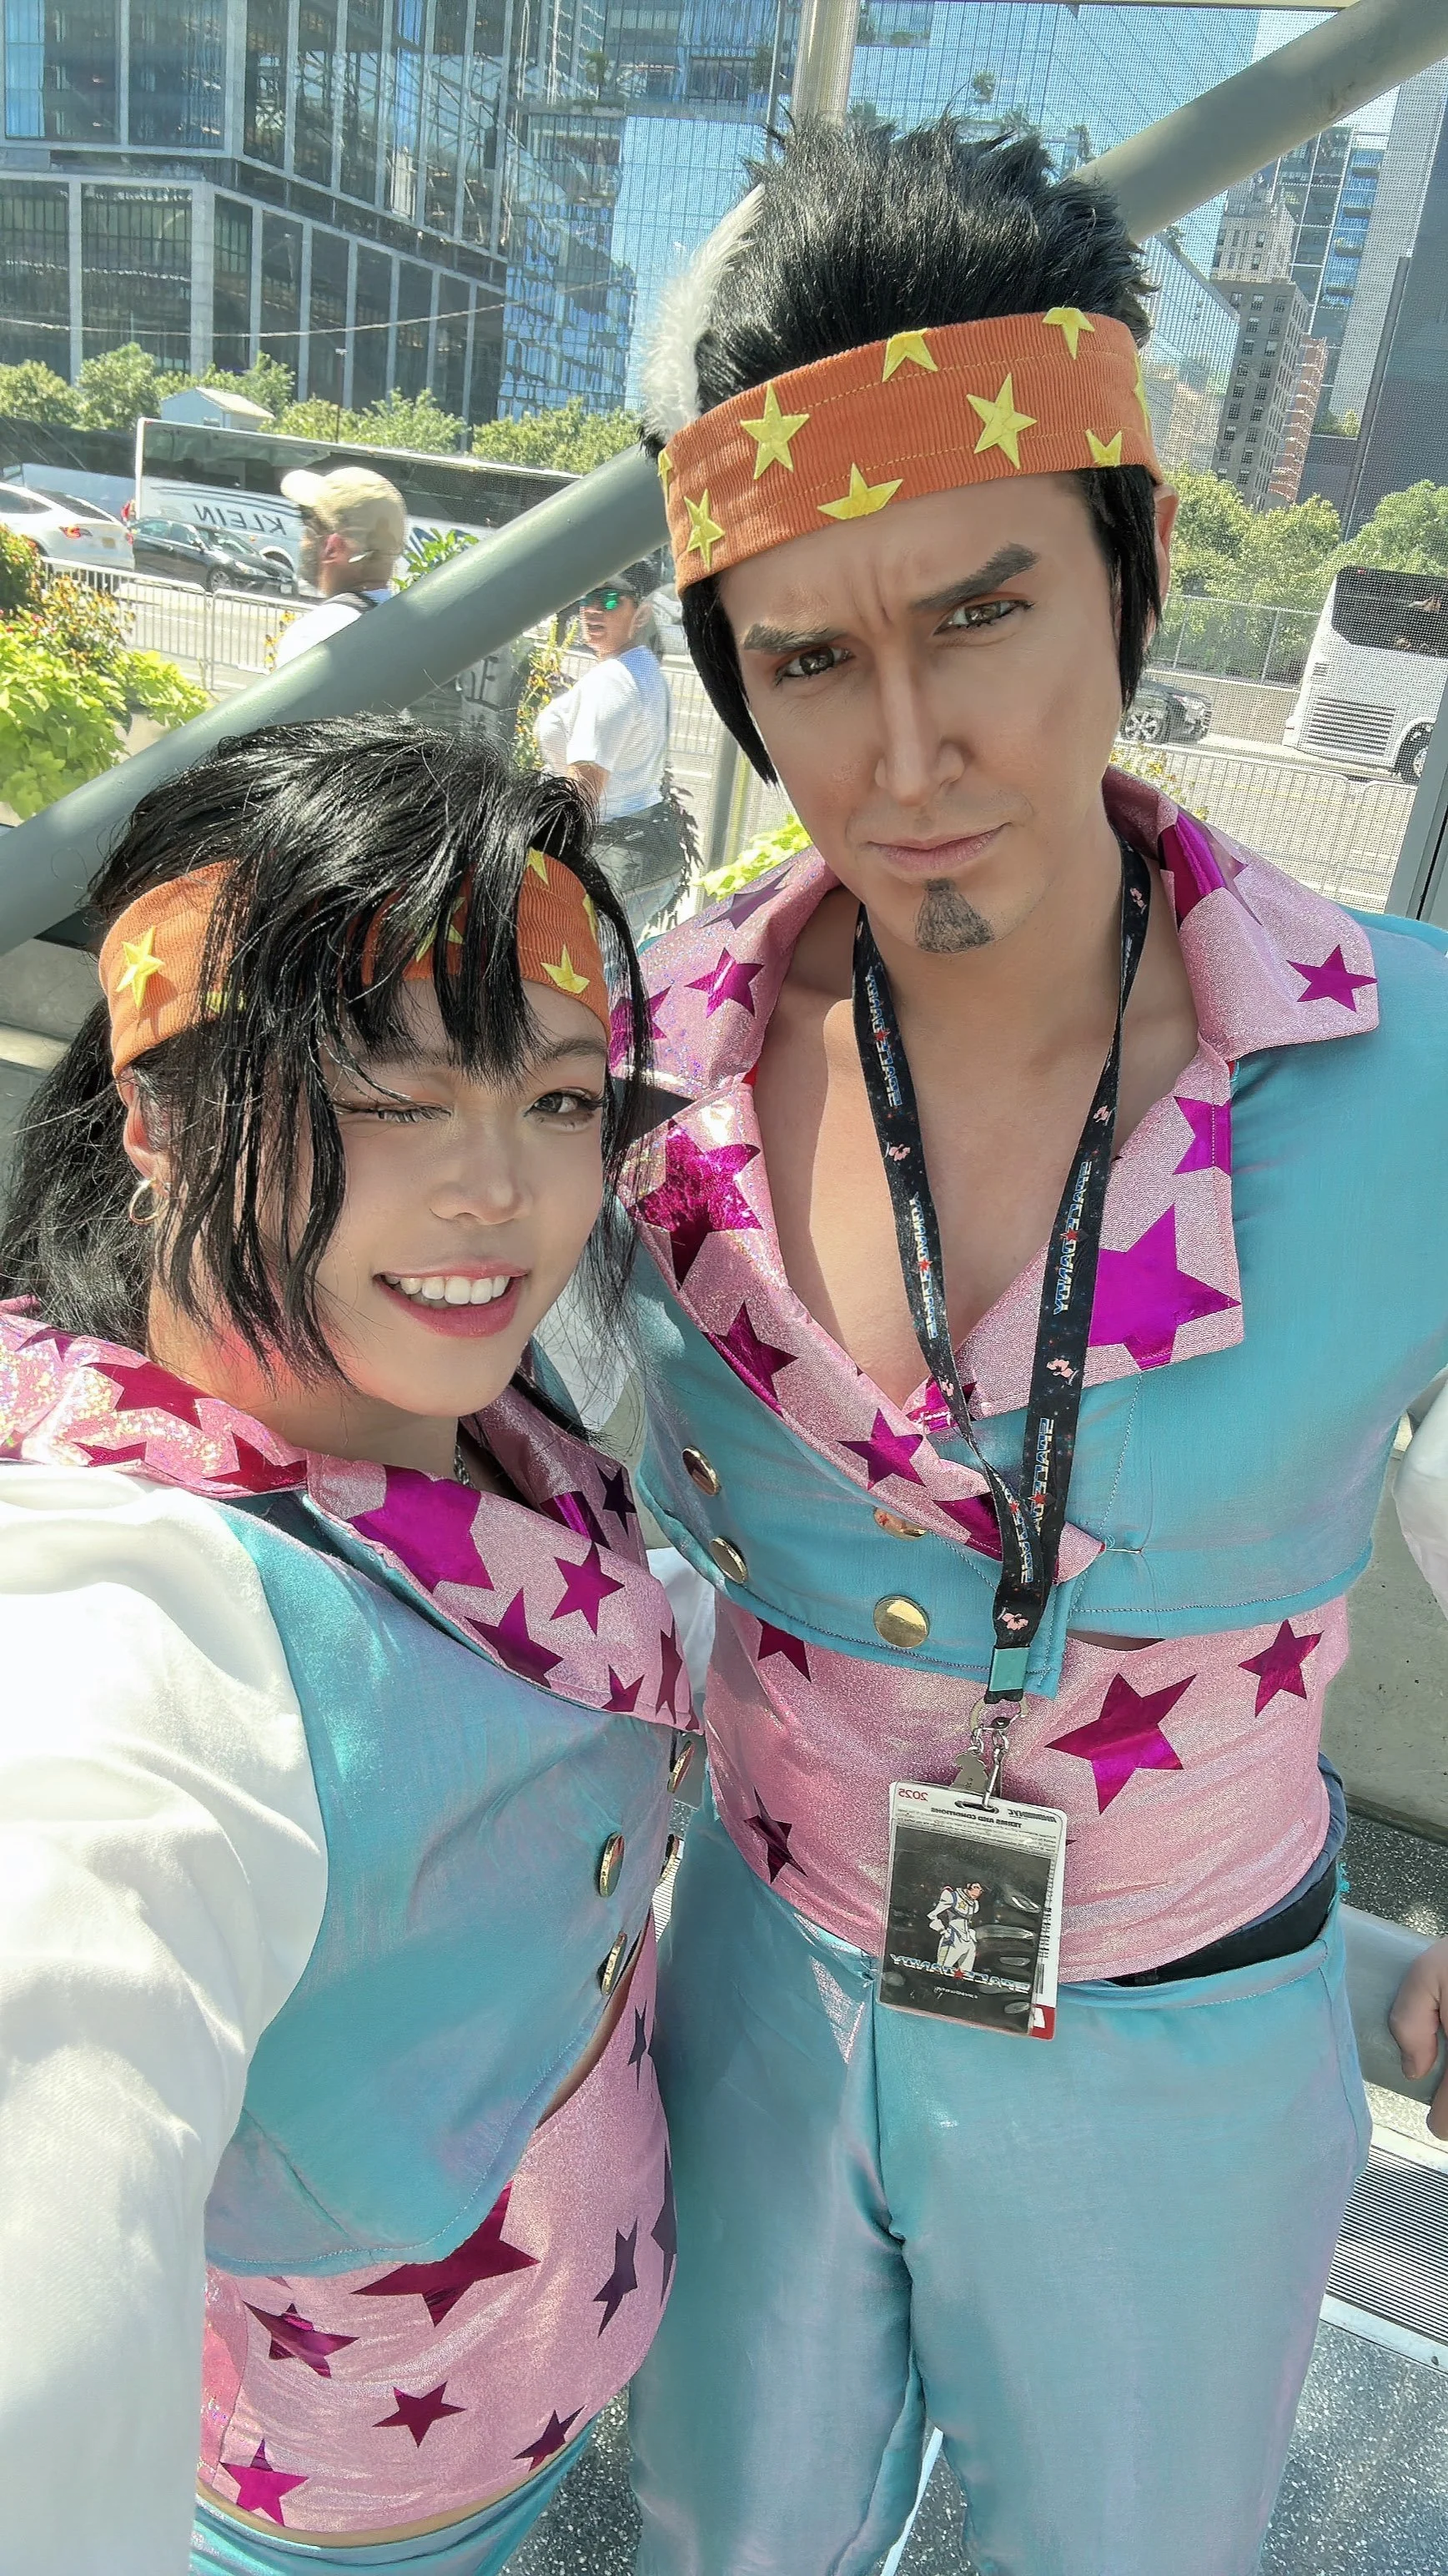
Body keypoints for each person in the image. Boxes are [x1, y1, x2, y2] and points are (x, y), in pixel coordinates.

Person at [618, 118, 1448, 2575]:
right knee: (724, 2532)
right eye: (806, 660)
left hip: (1181, 2039)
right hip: (750, 1994)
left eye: (979, 612)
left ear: (1134, 562)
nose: (905, 756)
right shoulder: (622, 1070)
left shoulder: (1408, 1064)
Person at [0, 716, 696, 2573]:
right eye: (389, 1091)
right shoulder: (123, 1607)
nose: (502, 1189)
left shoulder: (462, 1401)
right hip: (317, 2517)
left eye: (560, 1099)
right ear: (152, 1112)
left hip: (533, 2393)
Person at [534, 563, 689, 939]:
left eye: (608, 600)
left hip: (613, 853)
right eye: (587, 598)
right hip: (645, 845)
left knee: (577, 966)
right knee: (612, 965)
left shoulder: (611, 681)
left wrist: (551, 856)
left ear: (642, 614)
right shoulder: (644, 667)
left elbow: (585, 786)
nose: (592, 609)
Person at [273, 466, 408, 665]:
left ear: (333, 547)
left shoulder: (314, 637)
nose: (303, 540)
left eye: (307, 526)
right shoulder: (407, 628)